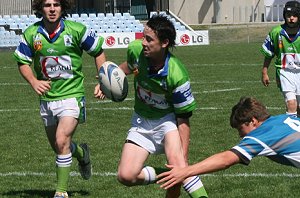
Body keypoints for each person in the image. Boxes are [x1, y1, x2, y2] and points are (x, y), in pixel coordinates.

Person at [13, 0, 106, 197]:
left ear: (63, 7)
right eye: (47, 5)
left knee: (61, 139)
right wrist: (33, 81)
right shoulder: (32, 34)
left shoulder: (76, 30)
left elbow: (98, 52)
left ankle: (61, 192)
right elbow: (22, 61)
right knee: (59, 145)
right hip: (47, 98)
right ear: (41, 8)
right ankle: (81, 153)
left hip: (72, 95)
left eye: (56, 4)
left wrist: (103, 81)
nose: (52, 9)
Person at [116, 14, 208, 198]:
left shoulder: (177, 74)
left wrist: (184, 157)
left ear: (164, 43)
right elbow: (128, 66)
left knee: (178, 165)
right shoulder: (136, 51)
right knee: (125, 175)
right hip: (141, 121)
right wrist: (109, 80)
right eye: (143, 37)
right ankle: (171, 173)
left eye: (149, 39)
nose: (143, 43)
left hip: (168, 123)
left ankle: (181, 174)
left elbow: (183, 119)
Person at [157, 96, 300, 191]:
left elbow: (226, 159)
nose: (240, 135)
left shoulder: (262, 135)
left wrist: (185, 171)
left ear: (253, 121)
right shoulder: (282, 119)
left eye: (240, 129)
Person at [261, 1, 300, 117]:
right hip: (284, 72)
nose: (291, 18)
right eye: (288, 16)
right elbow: (268, 54)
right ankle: (291, 133)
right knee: (291, 103)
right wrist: (264, 72)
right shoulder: (276, 32)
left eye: (294, 15)